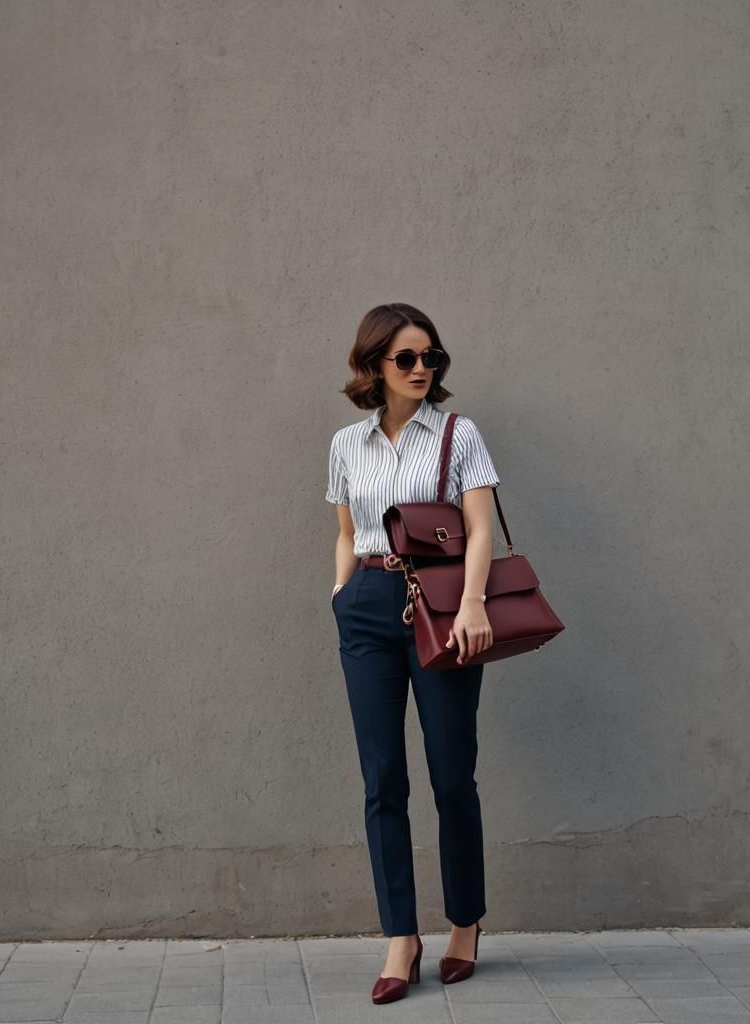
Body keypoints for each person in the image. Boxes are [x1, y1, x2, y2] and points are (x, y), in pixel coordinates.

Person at [325, 302, 500, 1004]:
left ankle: (465, 922)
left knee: (452, 775)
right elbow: (347, 530)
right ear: (374, 365)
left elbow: (480, 529)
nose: (421, 368)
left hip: (444, 609)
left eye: (431, 356)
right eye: (406, 358)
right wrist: (341, 593)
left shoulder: (459, 434)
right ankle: (401, 934)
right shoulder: (347, 444)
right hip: (368, 606)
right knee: (382, 780)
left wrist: (474, 604)